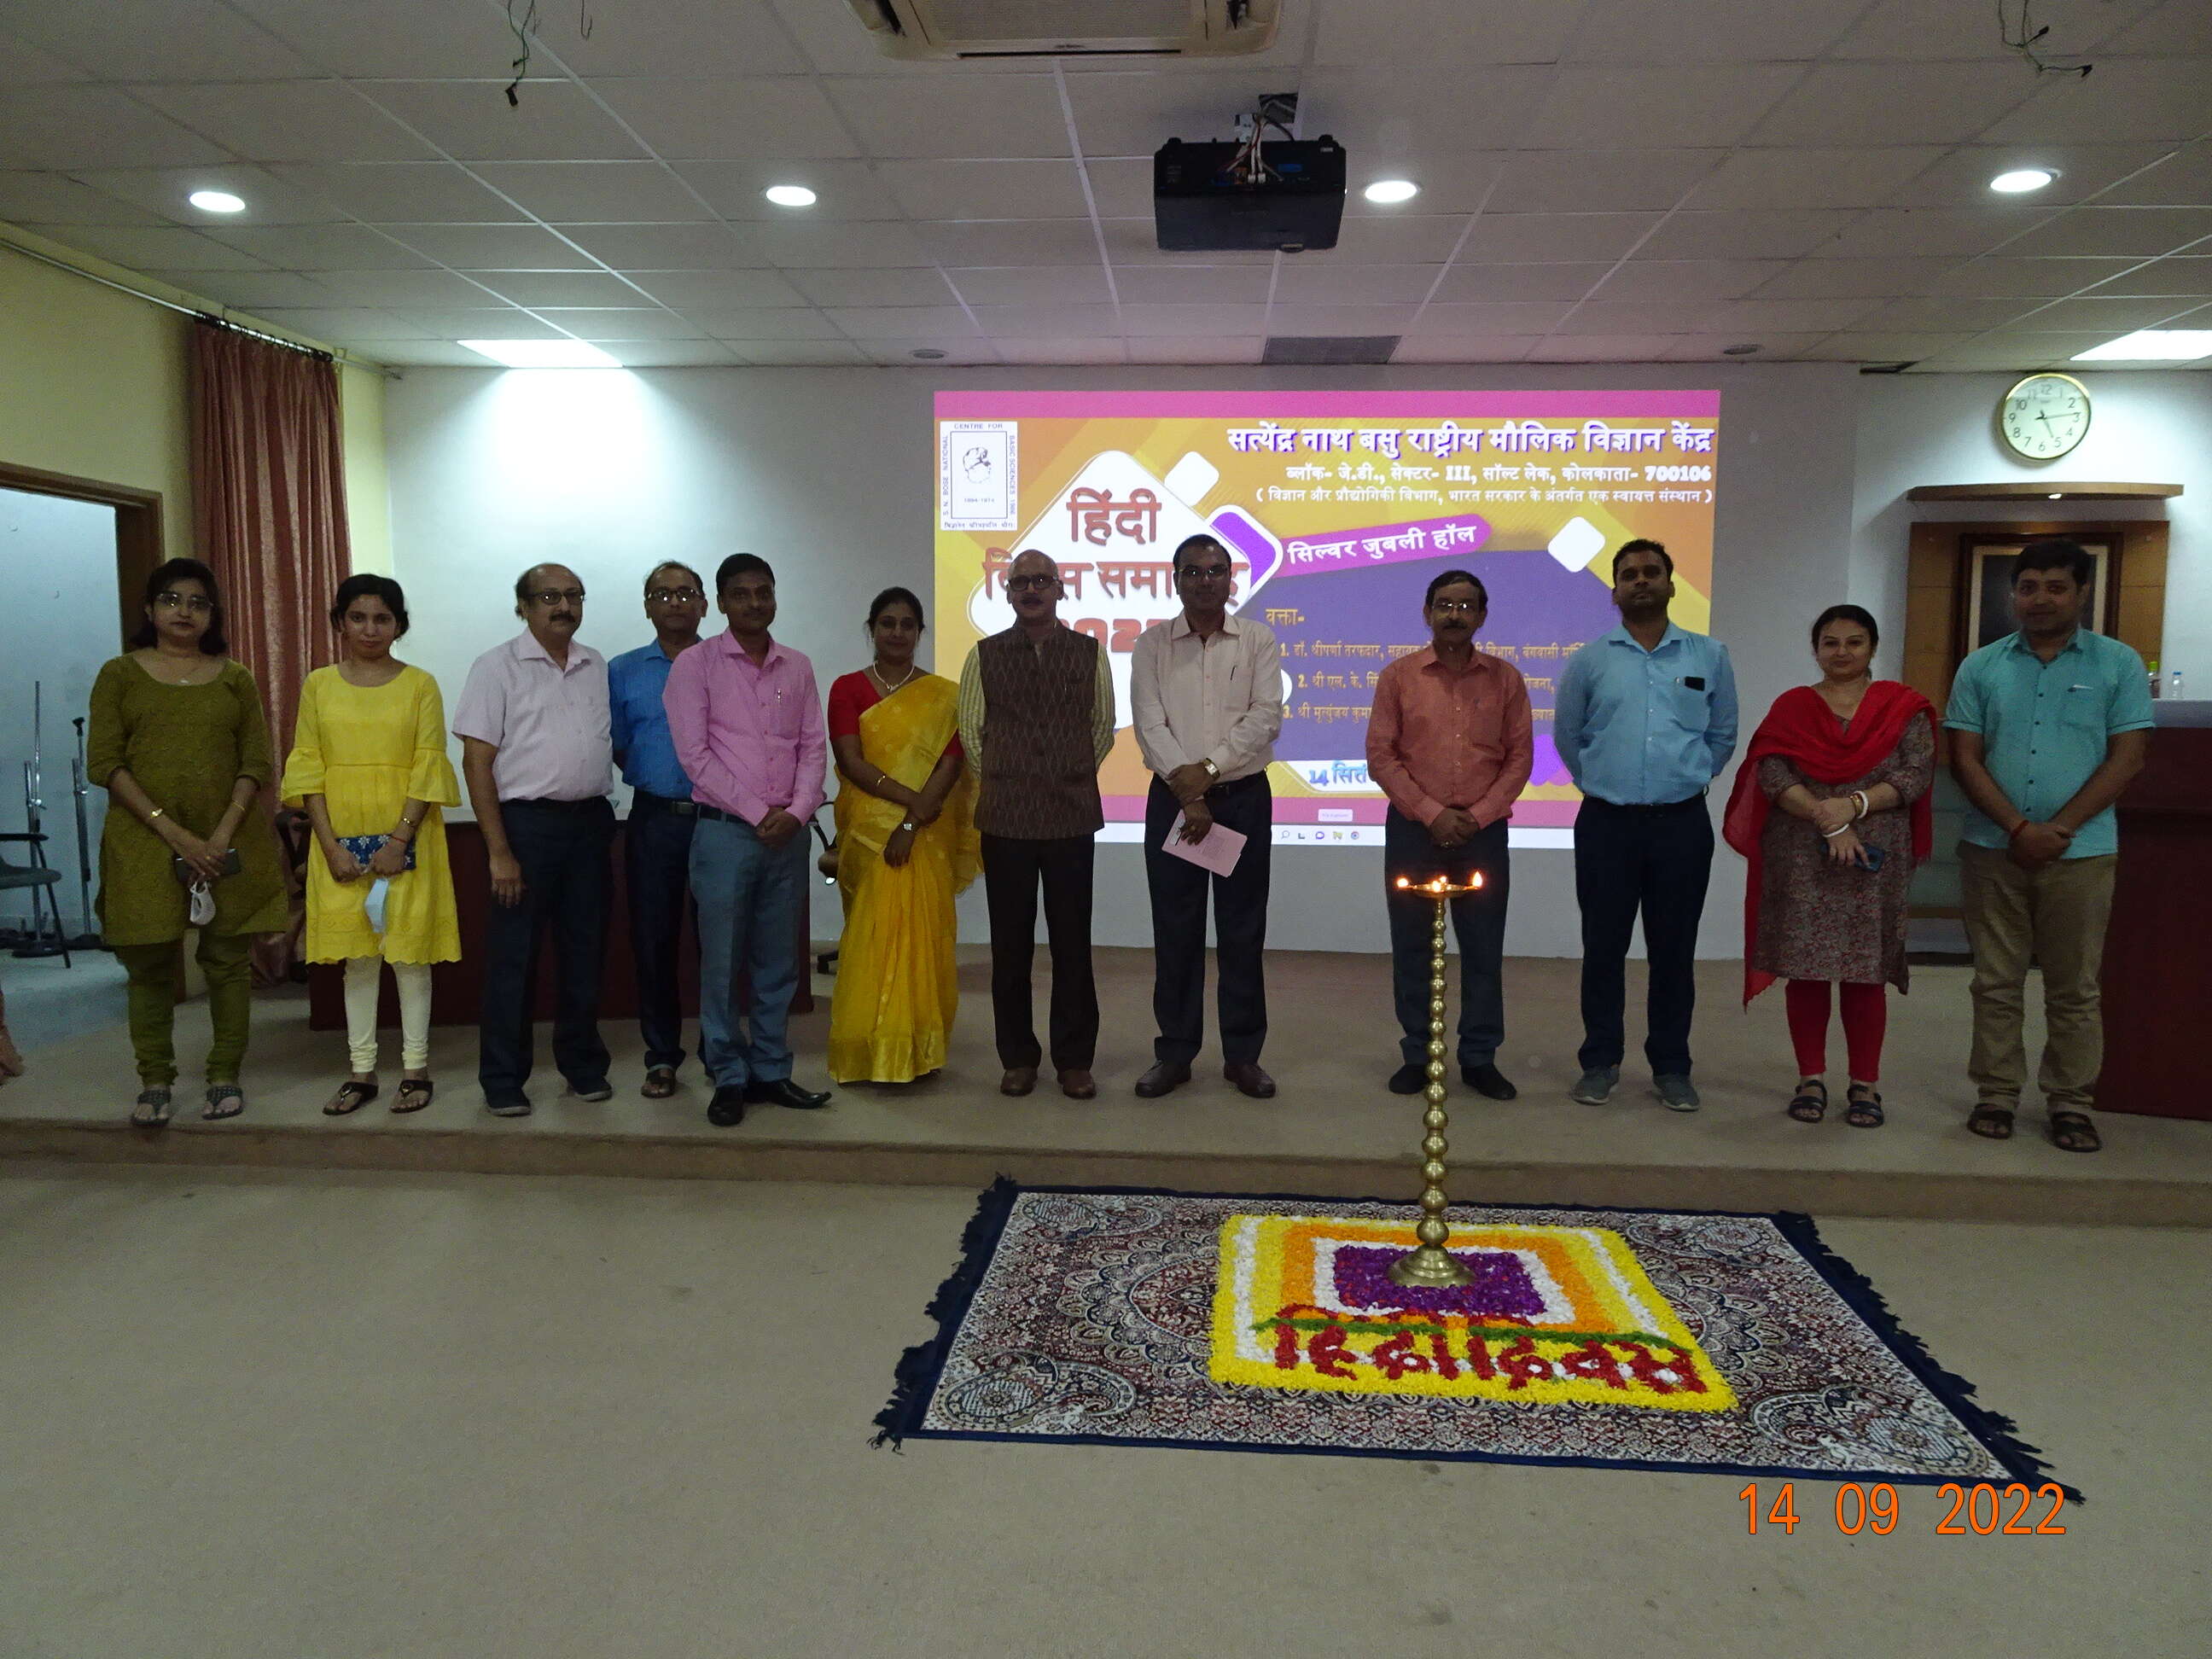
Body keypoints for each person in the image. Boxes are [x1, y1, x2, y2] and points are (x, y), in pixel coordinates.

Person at [1945, 539, 2151, 1153]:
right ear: (2014, 594)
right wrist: (2016, 828)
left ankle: (2070, 1102)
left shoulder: (2118, 664)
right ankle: (1997, 1093)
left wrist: (2057, 829)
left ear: (2082, 592)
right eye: (2028, 587)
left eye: (2056, 587)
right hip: (1992, 847)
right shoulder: (1981, 666)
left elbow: (2128, 758)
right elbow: (1964, 757)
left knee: (2074, 987)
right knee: (1995, 982)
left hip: (2081, 852)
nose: (2040, 599)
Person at [88, 557, 287, 1125]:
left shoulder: (234, 678)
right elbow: (104, 762)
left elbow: (255, 761)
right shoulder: (119, 675)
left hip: (227, 836)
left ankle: (224, 1074)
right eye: (172, 600)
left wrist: (218, 836)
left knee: (227, 962)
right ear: (150, 610)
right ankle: (154, 1079)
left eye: (198, 603)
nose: (184, 611)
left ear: (212, 615)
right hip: (142, 839)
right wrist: (173, 831)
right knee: (149, 962)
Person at [1722, 605, 1935, 1129]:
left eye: (1854, 642)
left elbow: (1915, 774)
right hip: (1802, 851)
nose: (1842, 652)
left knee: (1866, 972)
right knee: (1807, 969)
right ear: (1815, 650)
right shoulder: (1793, 706)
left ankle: (1865, 1084)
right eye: (1830, 642)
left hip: (1875, 853)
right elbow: (1772, 772)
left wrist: (1854, 806)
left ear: (1873, 647)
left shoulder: (1902, 707)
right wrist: (1828, 820)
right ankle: (1810, 1079)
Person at [1554, 538, 1738, 1112]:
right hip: (1606, 825)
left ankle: (1672, 1067)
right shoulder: (1589, 660)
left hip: (1680, 825)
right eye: (1629, 574)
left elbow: (1723, 734)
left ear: (1670, 584)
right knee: (1602, 949)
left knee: (1674, 952)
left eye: (1651, 571)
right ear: (1614, 591)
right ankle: (1599, 1062)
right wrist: (1602, 783)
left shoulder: (1709, 655)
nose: (1640, 580)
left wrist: (1688, 776)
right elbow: (1568, 736)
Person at [282, 573, 463, 1116]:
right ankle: (361, 1073)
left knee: (410, 960)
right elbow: (308, 767)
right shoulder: (318, 685)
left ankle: (415, 1070)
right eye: (358, 617)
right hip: (336, 842)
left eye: (382, 618)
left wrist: (398, 839)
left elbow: (428, 762)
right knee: (357, 961)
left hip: (409, 839)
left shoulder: (420, 685)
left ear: (399, 626)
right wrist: (329, 846)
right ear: (340, 622)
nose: (370, 629)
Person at [664, 553, 831, 1126]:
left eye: (764, 592)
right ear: (721, 602)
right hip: (726, 835)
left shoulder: (798, 666)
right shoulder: (695, 665)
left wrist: (800, 811)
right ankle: (728, 1075)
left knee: (778, 962)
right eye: (741, 594)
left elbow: (813, 747)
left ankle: (771, 1070)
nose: (754, 603)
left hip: (788, 836)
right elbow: (695, 757)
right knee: (722, 962)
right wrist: (763, 813)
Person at [452, 563, 616, 1117]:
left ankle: (583, 1066)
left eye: (573, 596)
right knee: (513, 960)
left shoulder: (596, 665)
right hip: (525, 828)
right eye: (549, 597)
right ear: (521, 606)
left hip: (590, 825)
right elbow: (477, 762)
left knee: (585, 953)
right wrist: (499, 852)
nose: (563, 606)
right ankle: (503, 1079)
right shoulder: (495, 666)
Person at [1366, 568, 1533, 1101]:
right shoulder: (1398, 677)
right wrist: (1430, 812)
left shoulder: (1507, 679)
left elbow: (1519, 759)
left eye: (1465, 606)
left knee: (1483, 950)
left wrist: (1477, 816)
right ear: (1427, 612)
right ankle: (1418, 1054)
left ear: (1482, 616)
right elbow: (1381, 756)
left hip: (1483, 834)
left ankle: (1479, 1057)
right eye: (1444, 605)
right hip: (1414, 831)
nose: (1454, 615)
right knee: (1411, 946)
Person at [1129, 534, 1284, 1100]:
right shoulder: (1151, 645)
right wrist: (1189, 792)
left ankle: (1243, 1056)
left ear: (1230, 579)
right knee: (1176, 932)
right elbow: (1149, 723)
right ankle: (1174, 1053)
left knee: (1242, 931)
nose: (1205, 580)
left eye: (1215, 570)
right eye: (1192, 572)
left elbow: (1266, 716)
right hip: (1173, 800)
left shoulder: (1258, 640)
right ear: (1176, 580)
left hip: (1242, 798)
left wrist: (1210, 771)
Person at [958, 549, 1115, 1100]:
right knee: (1011, 948)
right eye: (1021, 581)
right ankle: (1018, 1058)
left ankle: (1074, 1061)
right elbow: (970, 729)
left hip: (1071, 816)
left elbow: (1103, 727)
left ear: (1059, 590)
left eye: (1042, 581)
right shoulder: (984, 655)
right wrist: (1011, 781)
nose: (1031, 590)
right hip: (1006, 820)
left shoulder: (1089, 652)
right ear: (1007, 592)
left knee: (1073, 945)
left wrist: (1064, 776)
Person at [826, 586, 978, 1085]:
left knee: (921, 939)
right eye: (887, 623)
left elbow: (950, 765)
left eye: (907, 624)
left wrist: (912, 823)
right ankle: (866, 1048)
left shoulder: (945, 696)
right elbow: (851, 761)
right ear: (872, 629)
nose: (897, 632)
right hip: (869, 829)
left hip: (924, 834)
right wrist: (914, 803)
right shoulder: (847, 688)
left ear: (920, 632)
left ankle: (916, 1048)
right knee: (870, 937)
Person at [608, 561, 710, 1100]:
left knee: (718, 941)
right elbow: (620, 744)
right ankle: (662, 1056)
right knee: (654, 940)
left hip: (718, 820)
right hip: (653, 821)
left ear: (704, 605)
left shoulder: (725, 663)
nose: (675, 602)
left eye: (686, 593)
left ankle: (718, 1049)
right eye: (663, 594)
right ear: (647, 606)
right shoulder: (622, 671)